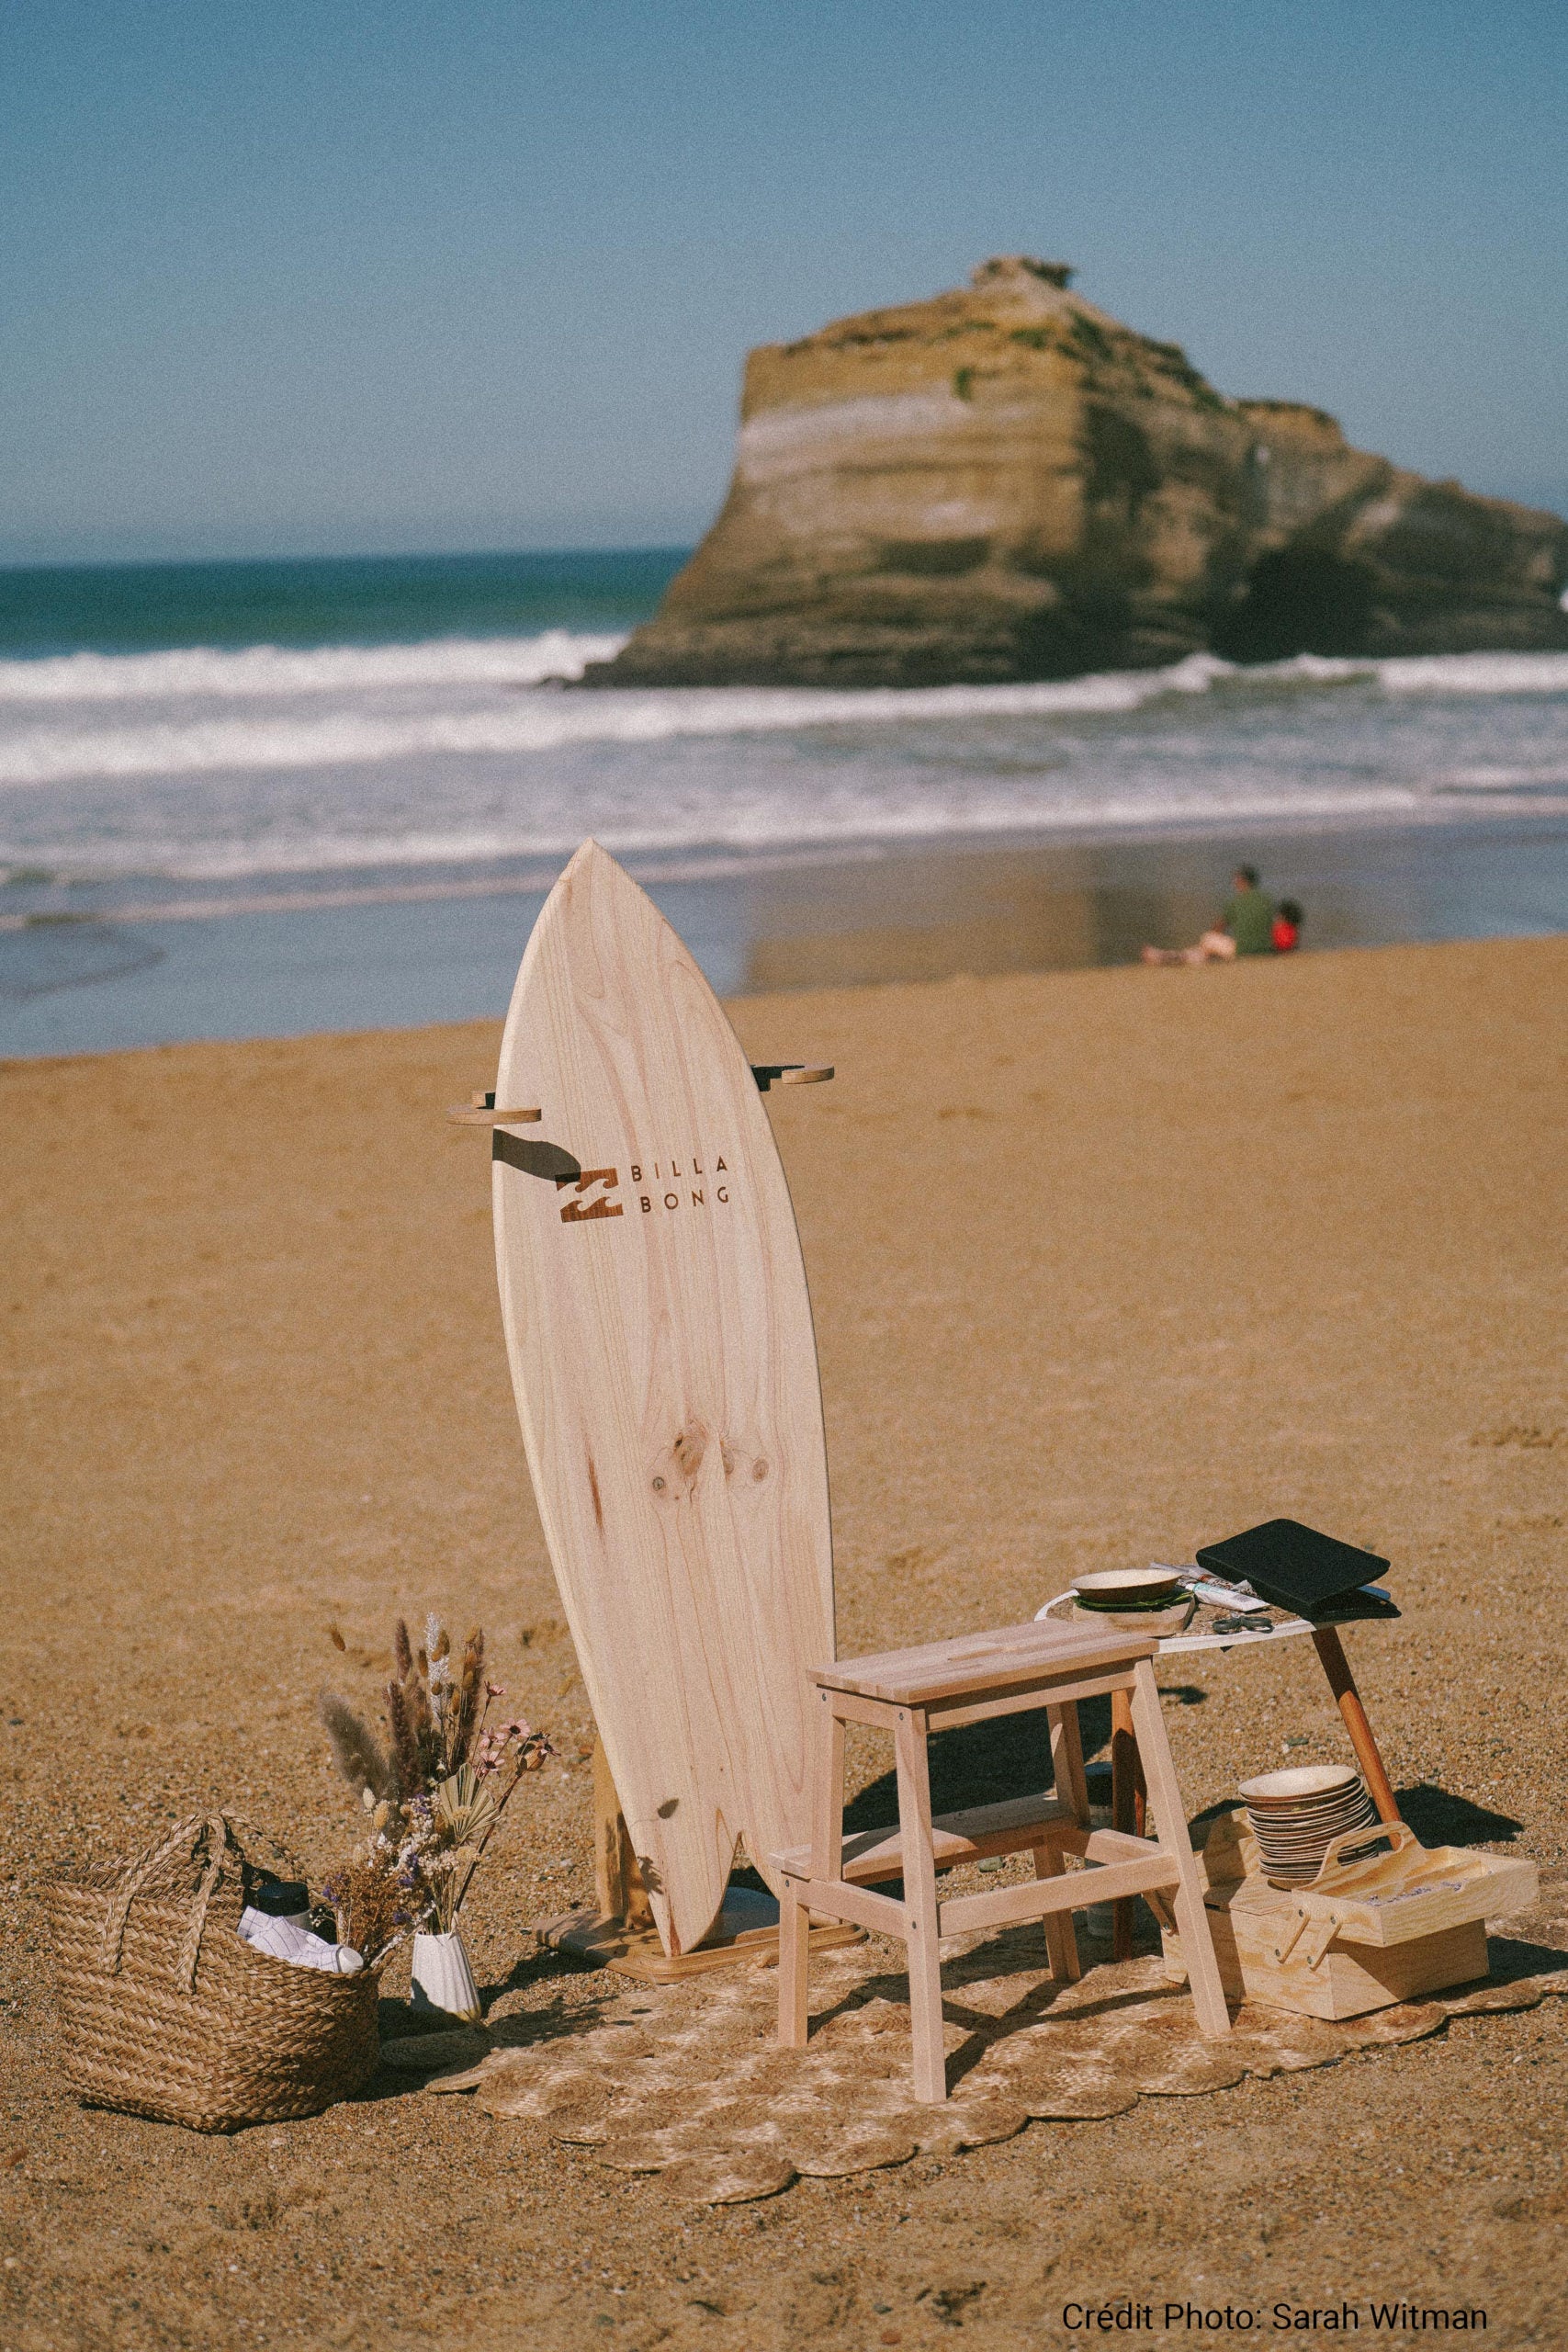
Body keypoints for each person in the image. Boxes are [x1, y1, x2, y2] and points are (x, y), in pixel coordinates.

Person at [1142, 865, 1277, 966]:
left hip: (1244, 952)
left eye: (1236, 880)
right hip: (1265, 950)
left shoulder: (1236, 901)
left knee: (1208, 939)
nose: (1235, 883)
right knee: (1208, 947)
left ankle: (1170, 957)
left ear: (1242, 881)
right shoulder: (1267, 900)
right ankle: (1173, 956)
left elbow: (1218, 928)